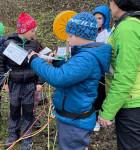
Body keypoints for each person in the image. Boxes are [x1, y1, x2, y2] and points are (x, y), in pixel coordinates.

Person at [28, 12, 112, 150]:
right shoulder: (84, 54)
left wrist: (35, 60)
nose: (68, 39)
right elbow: (74, 74)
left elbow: (59, 78)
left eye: (70, 35)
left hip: (75, 122)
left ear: (82, 35)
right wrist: (58, 62)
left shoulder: (86, 58)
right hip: (72, 117)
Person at [0, 12, 44, 150]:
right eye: (32, 30)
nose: (34, 33)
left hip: (30, 84)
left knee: (28, 112)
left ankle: (27, 138)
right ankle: (13, 136)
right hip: (14, 84)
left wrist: (39, 82)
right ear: (23, 30)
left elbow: (40, 63)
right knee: (14, 110)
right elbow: (0, 65)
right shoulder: (8, 44)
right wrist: (4, 82)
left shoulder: (35, 45)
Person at [97, 0, 140, 149]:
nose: (110, 5)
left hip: (131, 103)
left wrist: (107, 111)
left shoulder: (127, 28)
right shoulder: (131, 23)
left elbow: (125, 76)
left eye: (111, 1)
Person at [92, 5, 112, 132]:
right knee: (93, 95)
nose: (97, 21)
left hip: (104, 72)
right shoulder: (91, 33)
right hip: (93, 71)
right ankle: (94, 119)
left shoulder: (109, 33)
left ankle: (102, 117)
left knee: (102, 96)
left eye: (100, 18)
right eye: (95, 18)